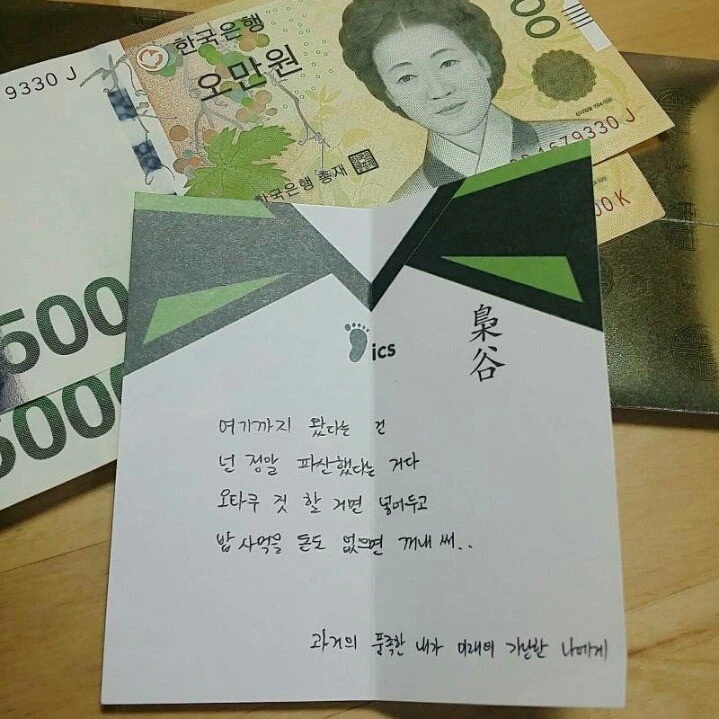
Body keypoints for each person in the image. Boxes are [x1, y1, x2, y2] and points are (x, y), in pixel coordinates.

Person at [339, 0, 573, 200]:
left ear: (482, 62)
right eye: (406, 77)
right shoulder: (406, 204)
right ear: (391, 95)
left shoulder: (577, 136)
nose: (439, 91)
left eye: (447, 63)